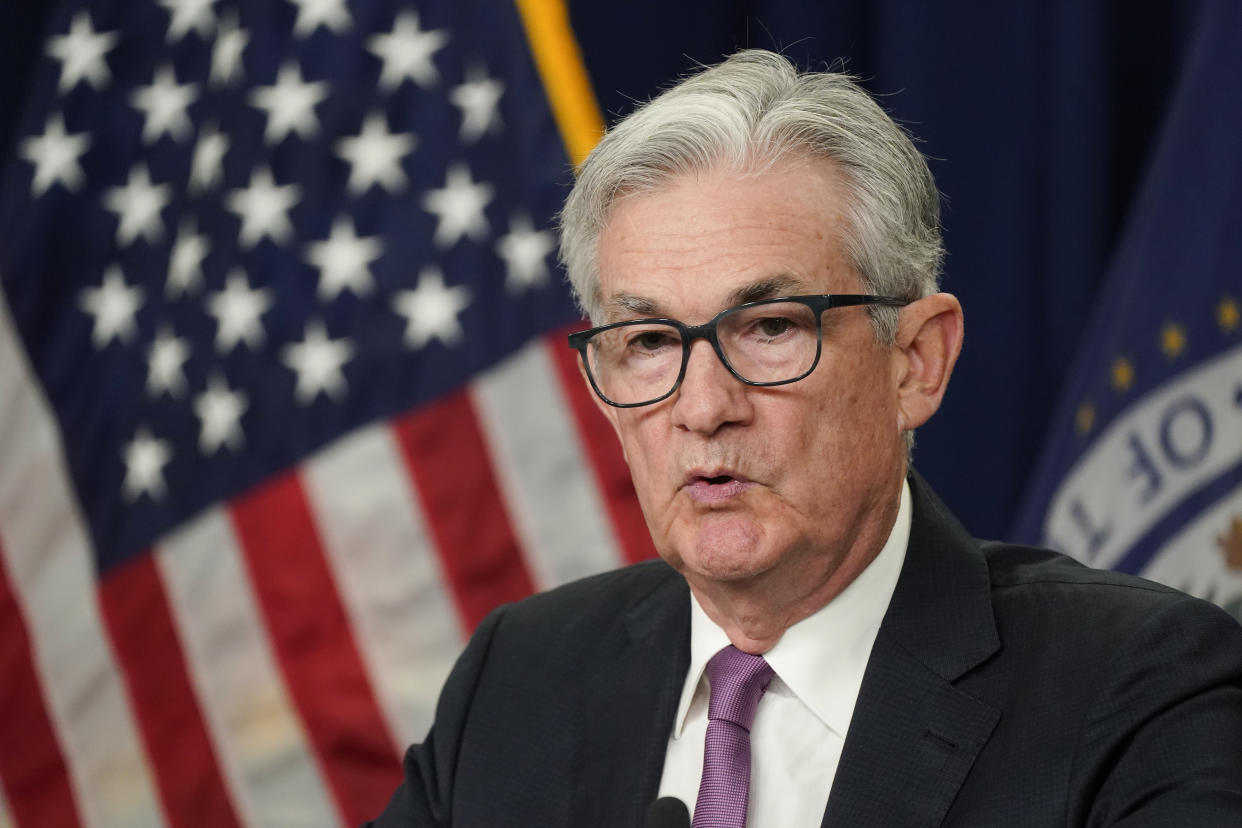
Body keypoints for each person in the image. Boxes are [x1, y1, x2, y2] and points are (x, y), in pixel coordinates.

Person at [367, 50, 1242, 827]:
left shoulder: (1136, 690)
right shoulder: (519, 680)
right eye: (649, 343)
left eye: (771, 328)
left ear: (918, 364)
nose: (703, 407)